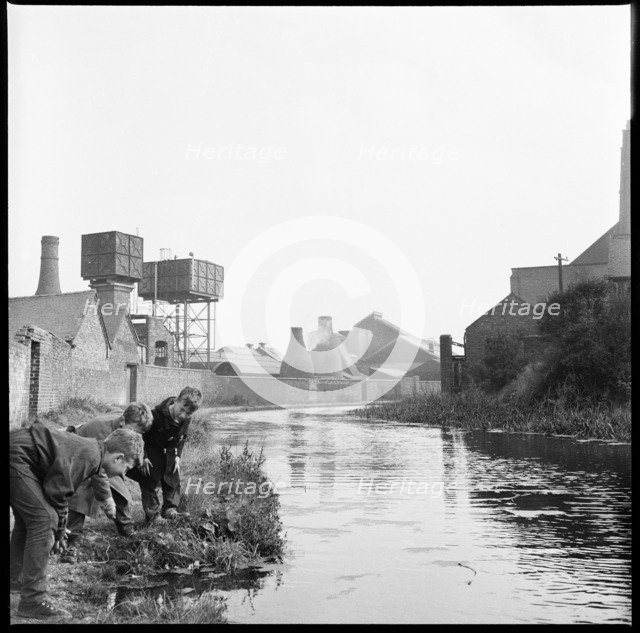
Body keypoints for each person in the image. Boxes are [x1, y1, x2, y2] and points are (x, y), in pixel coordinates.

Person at [10, 424, 144, 620]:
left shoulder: (93, 450)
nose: (123, 472)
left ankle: (15, 579)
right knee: (44, 519)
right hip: (16, 457)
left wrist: (59, 530)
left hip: (17, 452)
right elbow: (58, 493)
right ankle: (33, 601)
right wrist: (58, 531)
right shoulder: (88, 457)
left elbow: (58, 492)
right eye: (126, 468)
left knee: (29, 519)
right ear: (118, 458)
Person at [61, 402, 153, 564]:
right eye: (133, 430)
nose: (134, 434)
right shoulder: (101, 430)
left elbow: (134, 440)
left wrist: (142, 457)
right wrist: (107, 498)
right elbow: (99, 472)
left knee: (116, 488)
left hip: (98, 459)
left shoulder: (124, 424)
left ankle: (126, 529)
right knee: (83, 493)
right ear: (123, 421)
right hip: (76, 459)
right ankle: (72, 542)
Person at [127, 386, 202, 523]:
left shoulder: (186, 419)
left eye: (188, 413)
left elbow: (182, 437)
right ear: (177, 401)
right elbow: (141, 436)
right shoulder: (155, 415)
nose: (183, 415)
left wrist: (178, 456)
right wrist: (143, 457)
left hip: (170, 453)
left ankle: (170, 510)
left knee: (173, 480)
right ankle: (153, 516)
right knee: (149, 481)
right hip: (151, 452)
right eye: (182, 410)